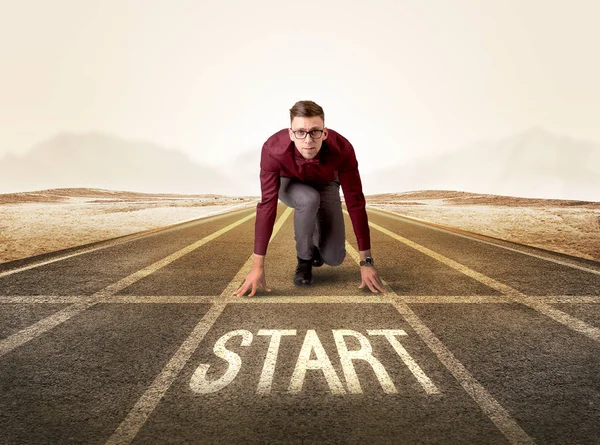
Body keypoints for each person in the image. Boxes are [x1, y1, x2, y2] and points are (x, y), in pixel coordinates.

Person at [234, 100, 385, 297]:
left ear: (325, 133)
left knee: (334, 257)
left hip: (326, 183)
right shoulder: (273, 149)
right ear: (291, 133)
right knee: (308, 199)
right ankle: (304, 261)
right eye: (300, 132)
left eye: (315, 131)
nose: (308, 140)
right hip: (289, 183)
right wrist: (257, 266)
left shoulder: (343, 148)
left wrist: (367, 261)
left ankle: (315, 245)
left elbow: (355, 200)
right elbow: (267, 206)